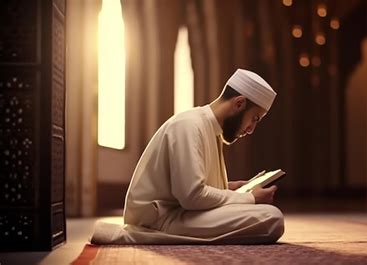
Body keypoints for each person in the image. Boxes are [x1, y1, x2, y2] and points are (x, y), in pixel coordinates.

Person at [92, 69, 284, 245]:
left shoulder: (212, 129)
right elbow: (192, 197)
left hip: (182, 213)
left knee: (268, 216)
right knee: (271, 218)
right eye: (254, 119)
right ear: (239, 103)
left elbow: (193, 188)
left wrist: (233, 188)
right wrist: (250, 198)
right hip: (160, 219)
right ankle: (138, 235)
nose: (251, 129)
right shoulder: (189, 125)